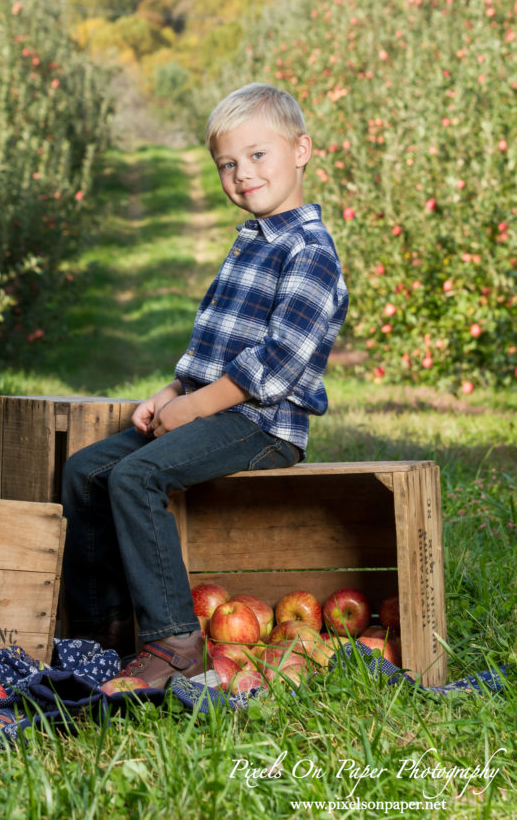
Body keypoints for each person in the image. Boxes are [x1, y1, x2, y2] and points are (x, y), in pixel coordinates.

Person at [61, 82, 349, 688]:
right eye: (227, 164)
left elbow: (275, 362)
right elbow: (218, 346)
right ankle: (100, 632)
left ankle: (172, 642)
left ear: (301, 150)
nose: (242, 174)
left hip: (265, 425)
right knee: (86, 471)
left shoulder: (310, 252)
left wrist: (195, 407)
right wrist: (174, 392)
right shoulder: (249, 244)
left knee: (138, 476)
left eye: (257, 155)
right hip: (217, 410)